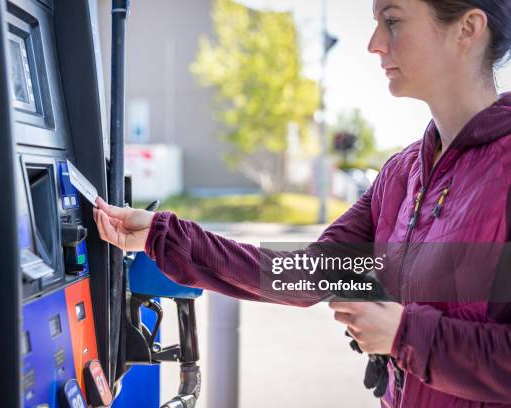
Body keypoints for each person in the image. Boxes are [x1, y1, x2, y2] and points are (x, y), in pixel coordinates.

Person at [93, 0, 511, 406]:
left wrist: (405, 336)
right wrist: (164, 236)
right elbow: (308, 274)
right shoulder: (401, 175)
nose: (374, 43)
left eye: (393, 20)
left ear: (468, 29)